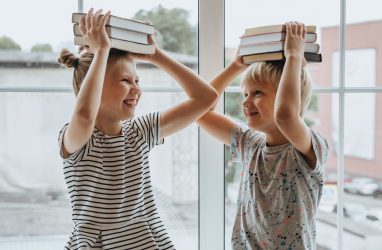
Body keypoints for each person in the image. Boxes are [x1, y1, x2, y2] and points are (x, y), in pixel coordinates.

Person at [57, 8, 217, 250]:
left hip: (148, 241)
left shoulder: (140, 131)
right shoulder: (78, 139)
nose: (136, 89)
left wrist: (156, 56)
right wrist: (101, 50)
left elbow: (206, 98)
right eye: (125, 80)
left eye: (137, 81)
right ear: (95, 86)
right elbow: (85, 114)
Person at [197, 22, 329, 249]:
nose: (246, 102)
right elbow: (199, 111)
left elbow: (285, 116)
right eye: (245, 93)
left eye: (257, 93)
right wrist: (235, 67)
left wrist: (294, 57)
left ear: (289, 96)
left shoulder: (307, 146)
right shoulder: (249, 143)